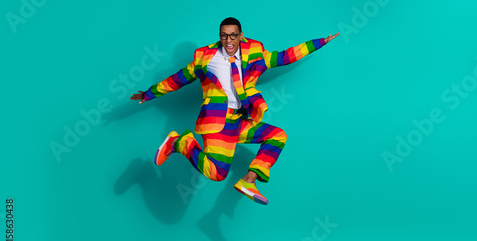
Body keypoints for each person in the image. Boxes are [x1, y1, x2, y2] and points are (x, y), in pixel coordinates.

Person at [131, 17, 339, 205]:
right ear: (219, 36)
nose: (228, 40)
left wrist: (319, 42)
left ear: (240, 35)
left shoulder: (255, 53)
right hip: (217, 121)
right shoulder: (206, 57)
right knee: (217, 173)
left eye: (232, 35)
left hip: (241, 120)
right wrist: (148, 94)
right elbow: (178, 79)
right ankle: (180, 143)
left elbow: (285, 56)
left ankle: (249, 181)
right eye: (223, 35)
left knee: (277, 136)